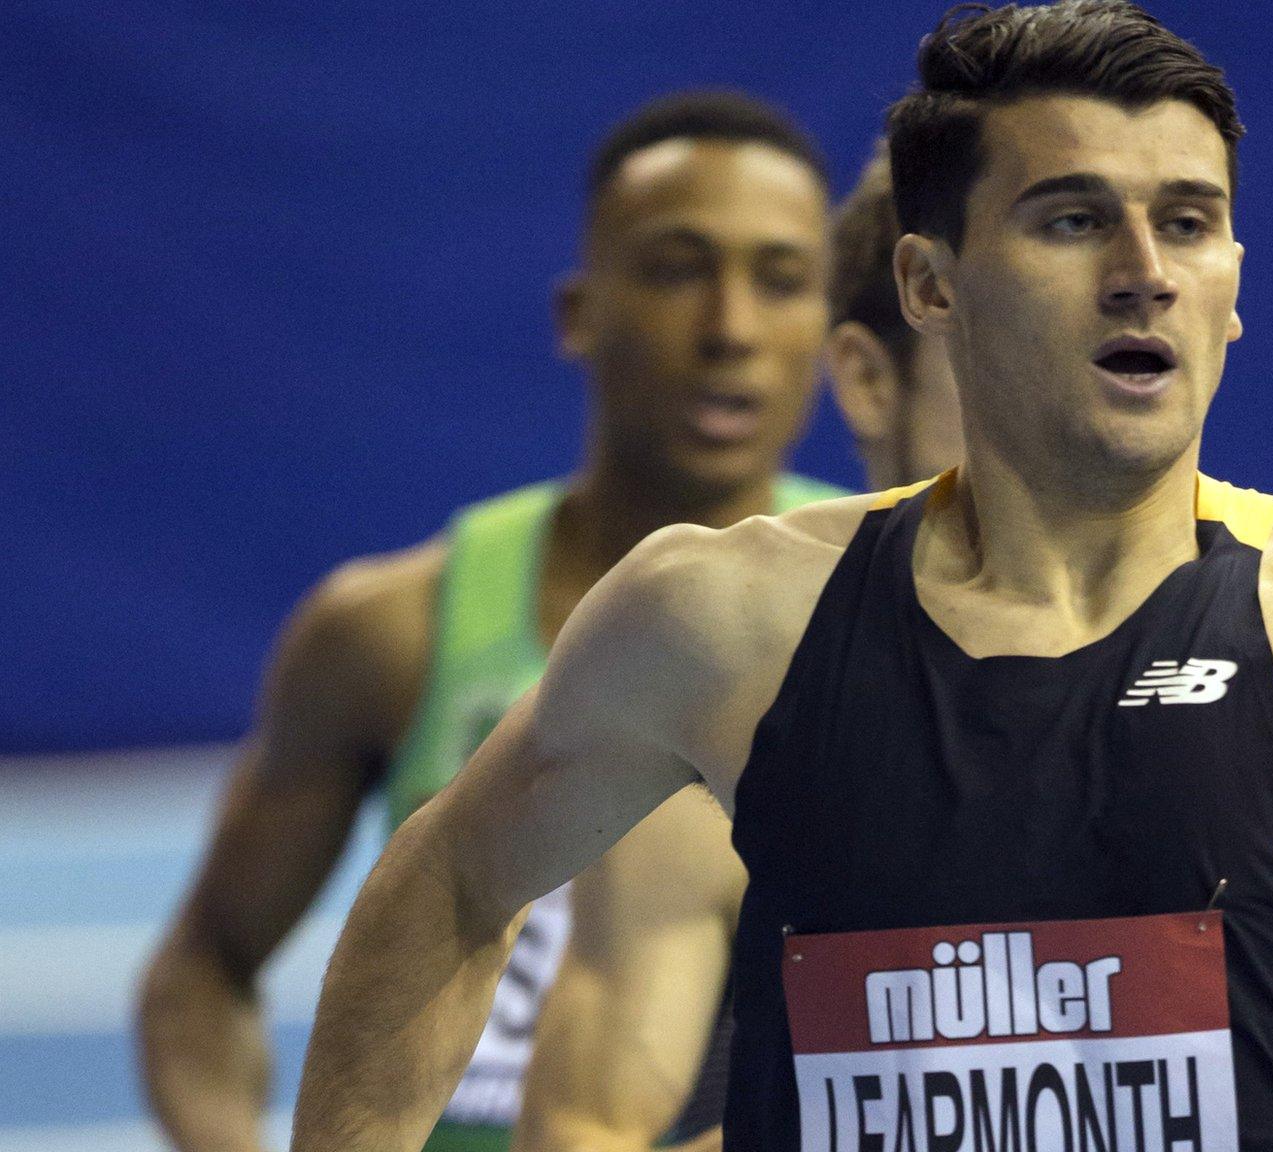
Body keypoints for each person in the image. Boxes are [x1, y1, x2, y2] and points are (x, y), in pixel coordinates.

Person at [288, 4, 1273, 1150]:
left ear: (1235, 282)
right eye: (1070, 219)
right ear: (928, 286)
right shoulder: (726, 621)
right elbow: (447, 884)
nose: (1143, 272)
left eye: (1187, 220)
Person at [136, 90, 847, 1152]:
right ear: (578, 313)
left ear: (831, 334)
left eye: (779, 280)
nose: (729, 329)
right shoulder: (391, 633)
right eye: (673, 268)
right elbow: (206, 966)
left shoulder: (880, 615)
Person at [512, 148, 964, 1152]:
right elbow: (580, 1128)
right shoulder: (729, 723)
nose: (1054, 432)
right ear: (864, 375)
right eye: (1001, 369)